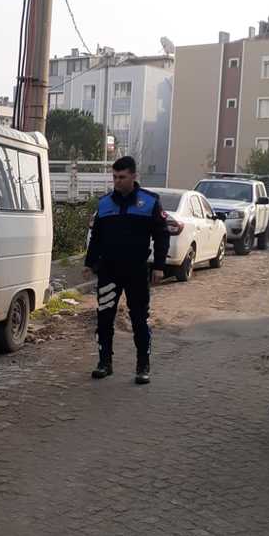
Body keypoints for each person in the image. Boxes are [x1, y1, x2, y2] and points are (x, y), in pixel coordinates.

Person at [83, 155, 169, 383]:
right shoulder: (104, 204)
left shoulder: (149, 202)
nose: (117, 181)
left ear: (133, 176)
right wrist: (89, 263)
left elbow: (161, 235)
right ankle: (104, 362)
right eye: (114, 177)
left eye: (122, 177)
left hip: (136, 272)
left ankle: (143, 366)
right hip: (109, 271)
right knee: (104, 318)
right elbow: (97, 237)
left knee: (139, 319)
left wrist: (159, 266)